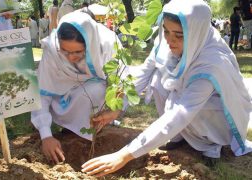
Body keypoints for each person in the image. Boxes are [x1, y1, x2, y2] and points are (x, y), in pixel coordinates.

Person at [81, 0, 252, 177]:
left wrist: (123, 155)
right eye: (166, 31)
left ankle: (209, 146)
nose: (170, 40)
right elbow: (144, 74)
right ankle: (180, 136)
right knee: (157, 78)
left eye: (179, 35)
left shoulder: (212, 62)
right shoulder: (166, 40)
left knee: (197, 107)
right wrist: (117, 109)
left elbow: (180, 113)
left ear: (194, 33)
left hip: (214, 118)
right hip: (185, 104)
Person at [31, 11, 121, 164]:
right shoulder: (52, 49)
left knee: (97, 89)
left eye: (78, 52)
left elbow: (121, 82)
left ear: (90, 43)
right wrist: (46, 134)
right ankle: (72, 127)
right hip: (64, 103)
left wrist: (115, 109)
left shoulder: (107, 43)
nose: (71, 57)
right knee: (91, 91)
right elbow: (41, 92)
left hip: (97, 97)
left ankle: (100, 123)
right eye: (65, 51)